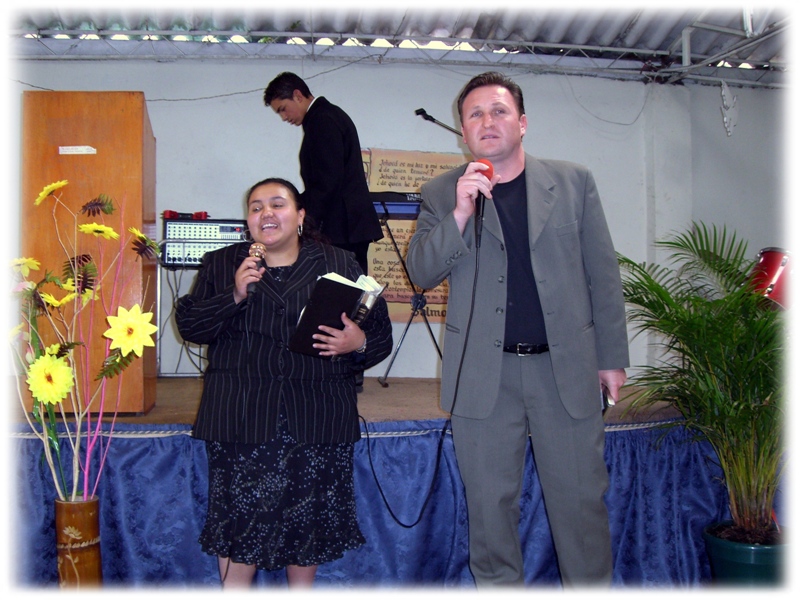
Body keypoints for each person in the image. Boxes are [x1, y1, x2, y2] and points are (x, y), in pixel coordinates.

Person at [406, 72, 629, 588]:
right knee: (489, 514)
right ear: (463, 131)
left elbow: (602, 273)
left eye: (499, 110)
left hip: (564, 369)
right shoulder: (441, 192)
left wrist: (611, 358)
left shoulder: (573, 182)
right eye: (475, 114)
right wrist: (461, 212)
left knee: (581, 507)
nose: (487, 121)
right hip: (484, 376)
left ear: (522, 123)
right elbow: (421, 271)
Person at [175, 177, 393, 589]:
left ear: (300, 215)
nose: (266, 214)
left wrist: (357, 342)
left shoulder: (340, 263)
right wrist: (234, 295)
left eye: (277, 204)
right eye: (256, 207)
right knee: (239, 524)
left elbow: (379, 333)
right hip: (240, 416)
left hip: (317, 417)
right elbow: (191, 327)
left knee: (306, 524)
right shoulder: (222, 263)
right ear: (248, 220)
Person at [263, 72, 383, 276]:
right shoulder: (325, 116)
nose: (284, 117)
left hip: (341, 228)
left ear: (298, 95)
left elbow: (327, 182)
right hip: (345, 226)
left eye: (283, 109)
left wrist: (302, 220)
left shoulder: (322, 120)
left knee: (341, 291)